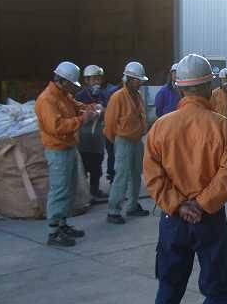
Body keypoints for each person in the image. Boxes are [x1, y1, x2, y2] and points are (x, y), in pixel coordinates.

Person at [143, 53, 227, 304]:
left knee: (169, 282)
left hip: (173, 219)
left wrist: (178, 204)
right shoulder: (223, 127)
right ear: (209, 85)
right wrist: (201, 204)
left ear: (179, 86)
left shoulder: (160, 128)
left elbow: (153, 176)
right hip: (209, 218)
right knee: (215, 283)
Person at [35, 61, 98, 247]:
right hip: (57, 150)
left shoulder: (62, 95)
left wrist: (89, 107)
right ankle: (54, 231)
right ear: (63, 81)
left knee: (68, 188)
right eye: (72, 84)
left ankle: (62, 224)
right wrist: (83, 119)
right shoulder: (47, 100)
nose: (74, 88)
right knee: (59, 190)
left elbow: (75, 105)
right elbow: (57, 127)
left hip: (68, 147)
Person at [104, 61, 150, 224]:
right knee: (121, 176)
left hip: (137, 141)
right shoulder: (117, 97)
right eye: (138, 80)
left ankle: (132, 205)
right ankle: (113, 210)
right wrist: (116, 142)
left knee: (136, 175)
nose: (140, 83)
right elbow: (109, 124)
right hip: (123, 141)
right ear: (129, 79)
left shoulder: (138, 96)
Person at [74, 65, 115, 199]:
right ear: (86, 80)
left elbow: (109, 112)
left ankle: (95, 189)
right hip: (84, 137)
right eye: (94, 79)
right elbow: (75, 113)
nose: (97, 82)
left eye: (99, 79)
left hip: (98, 136)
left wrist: (103, 111)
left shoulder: (104, 95)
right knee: (84, 165)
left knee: (97, 165)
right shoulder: (80, 96)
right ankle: (85, 193)